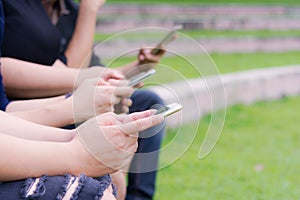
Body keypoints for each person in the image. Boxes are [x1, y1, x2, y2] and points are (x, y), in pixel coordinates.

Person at [1, 1, 166, 199]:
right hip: (34, 106)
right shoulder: (22, 9)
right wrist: (75, 148)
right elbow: (75, 70)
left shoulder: (67, 11)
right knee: (98, 185)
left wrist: (135, 68)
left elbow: (84, 72)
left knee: (148, 103)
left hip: (28, 113)